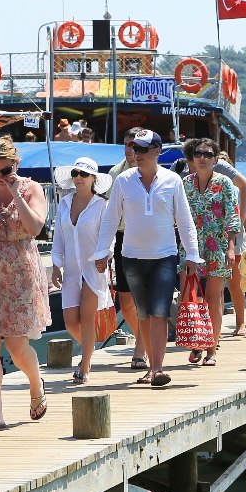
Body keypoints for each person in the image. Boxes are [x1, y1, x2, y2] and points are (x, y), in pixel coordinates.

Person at [94, 130, 202, 386]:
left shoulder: (173, 180)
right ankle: (151, 366)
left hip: (165, 255)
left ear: (157, 151)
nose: (137, 154)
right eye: (134, 148)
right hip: (131, 256)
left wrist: (193, 254)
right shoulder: (123, 181)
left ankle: (157, 368)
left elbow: (184, 220)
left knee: (159, 312)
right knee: (143, 313)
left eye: (143, 149)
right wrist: (102, 251)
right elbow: (110, 219)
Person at [0, 137, 51, 430]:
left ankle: (36, 383)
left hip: (22, 270)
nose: (0, 176)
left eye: (6, 170)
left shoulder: (32, 189)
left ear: (16, 165)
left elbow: (35, 227)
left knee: (18, 346)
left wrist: (16, 194)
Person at [51, 157, 114, 385]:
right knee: (70, 321)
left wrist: (105, 257)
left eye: (84, 174)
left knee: (87, 318)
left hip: (93, 266)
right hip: (71, 269)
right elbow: (58, 237)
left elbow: (109, 236)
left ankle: (84, 364)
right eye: (76, 173)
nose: (79, 177)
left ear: (93, 179)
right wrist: (56, 266)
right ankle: (90, 349)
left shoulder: (102, 205)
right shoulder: (64, 203)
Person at [183, 138, 239, 366]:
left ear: (216, 158)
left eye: (207, 154)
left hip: (217, 246)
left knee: (214, 298)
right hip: (191, 248)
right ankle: (197, 342)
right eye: (198, 153)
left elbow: (233, 216)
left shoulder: (225, 183)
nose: (202, 158)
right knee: (192, 298)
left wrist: (232, 248)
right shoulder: (185, 183)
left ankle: (211, 348)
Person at [107, 127, 148, 371]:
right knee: (124, 299)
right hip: (123, 236)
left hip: (146, 238)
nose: (132, 150)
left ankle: (141, 347)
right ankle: (142, 335)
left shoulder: (153, 173)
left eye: (136, 146)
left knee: (142, 298)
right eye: (128, 145)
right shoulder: (115, 173)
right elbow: (111, 213)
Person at [209, 143, 246, 335]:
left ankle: (240, 323)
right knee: (216, 288)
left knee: (235, 286)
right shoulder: (211, 188)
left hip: (235, 243)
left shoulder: (238, 191)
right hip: (215, 242)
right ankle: (216, 329)